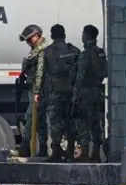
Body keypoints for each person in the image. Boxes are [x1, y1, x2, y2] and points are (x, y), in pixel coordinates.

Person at [42, 23, 80, 162]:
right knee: (70, 121)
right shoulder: (74, 50)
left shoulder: (48, 52)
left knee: (55, 122)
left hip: (55, 93)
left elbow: (43, 73)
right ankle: (70, 151)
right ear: (64, 34)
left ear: (52, 36)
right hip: (71, 92)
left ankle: (56, 151)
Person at [73, 24, 109, 162]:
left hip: (85, 92)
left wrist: (76, 93)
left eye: (83, 33)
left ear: (87, 35)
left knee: (83, 122)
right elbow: (106, 71)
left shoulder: (85, 54)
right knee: (96, 122)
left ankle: (84, 153)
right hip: (97, 90)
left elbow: (80, 76)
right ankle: (95, 153)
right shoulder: (100, 52)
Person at [17, 24, 48, 157]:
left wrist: (37, 92)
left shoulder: (42, 51)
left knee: (33, 119)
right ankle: (40, 150)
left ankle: (27, 149)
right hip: (35, 90)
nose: (29, 42)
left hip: (40, 91)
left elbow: (40, 72)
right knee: (38, 121)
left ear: (38, 36)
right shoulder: (35, 51)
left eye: (30, 39)